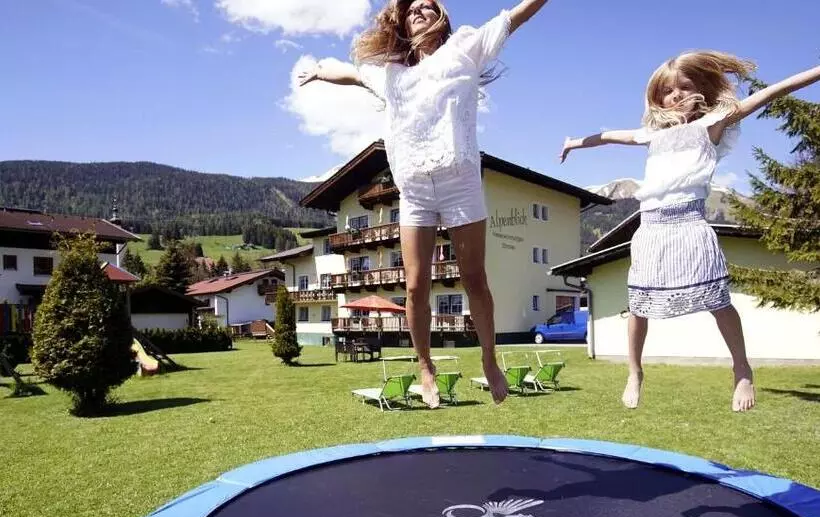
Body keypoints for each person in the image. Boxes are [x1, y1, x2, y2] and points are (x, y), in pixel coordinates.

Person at [298, 0, 552, 408]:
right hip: (414, 190)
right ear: (403, 22)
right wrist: (318, 72)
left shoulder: (465, 48)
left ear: (441, 17)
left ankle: (489, 358)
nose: (418, 8)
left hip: (460, 183)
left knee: (474, 278)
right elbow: (351, 73)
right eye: (411, 7)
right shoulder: (393, 76)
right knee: (415, 284)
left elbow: (514, 16)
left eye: (427, 5)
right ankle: (425, 366)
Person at [559, 51, 820, 412]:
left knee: (718, 301)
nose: (676, 95)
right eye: (668, 90)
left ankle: (742, 368)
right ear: (658, 98)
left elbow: (773, 92)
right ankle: (635, 372)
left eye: (685, 86)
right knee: (638, 306)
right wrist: (574, 142)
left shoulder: (712, 124)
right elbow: (606, 137)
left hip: (690, 224)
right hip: (650, 228)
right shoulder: (650, 134)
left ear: (701, 89)